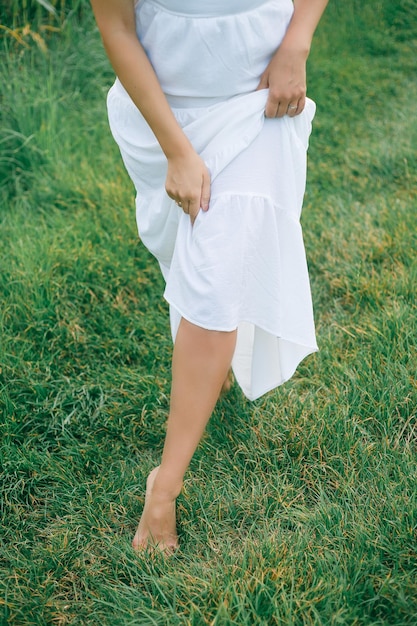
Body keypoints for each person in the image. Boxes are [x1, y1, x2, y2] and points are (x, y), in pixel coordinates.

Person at [90, 0, 329, 552]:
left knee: (217, 279)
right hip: (163, 114)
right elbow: (116, 26)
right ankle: (208, 363)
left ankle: (164, 487)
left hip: (257, 102)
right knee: (186, 257)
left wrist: (298, 39)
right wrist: (177, 152)